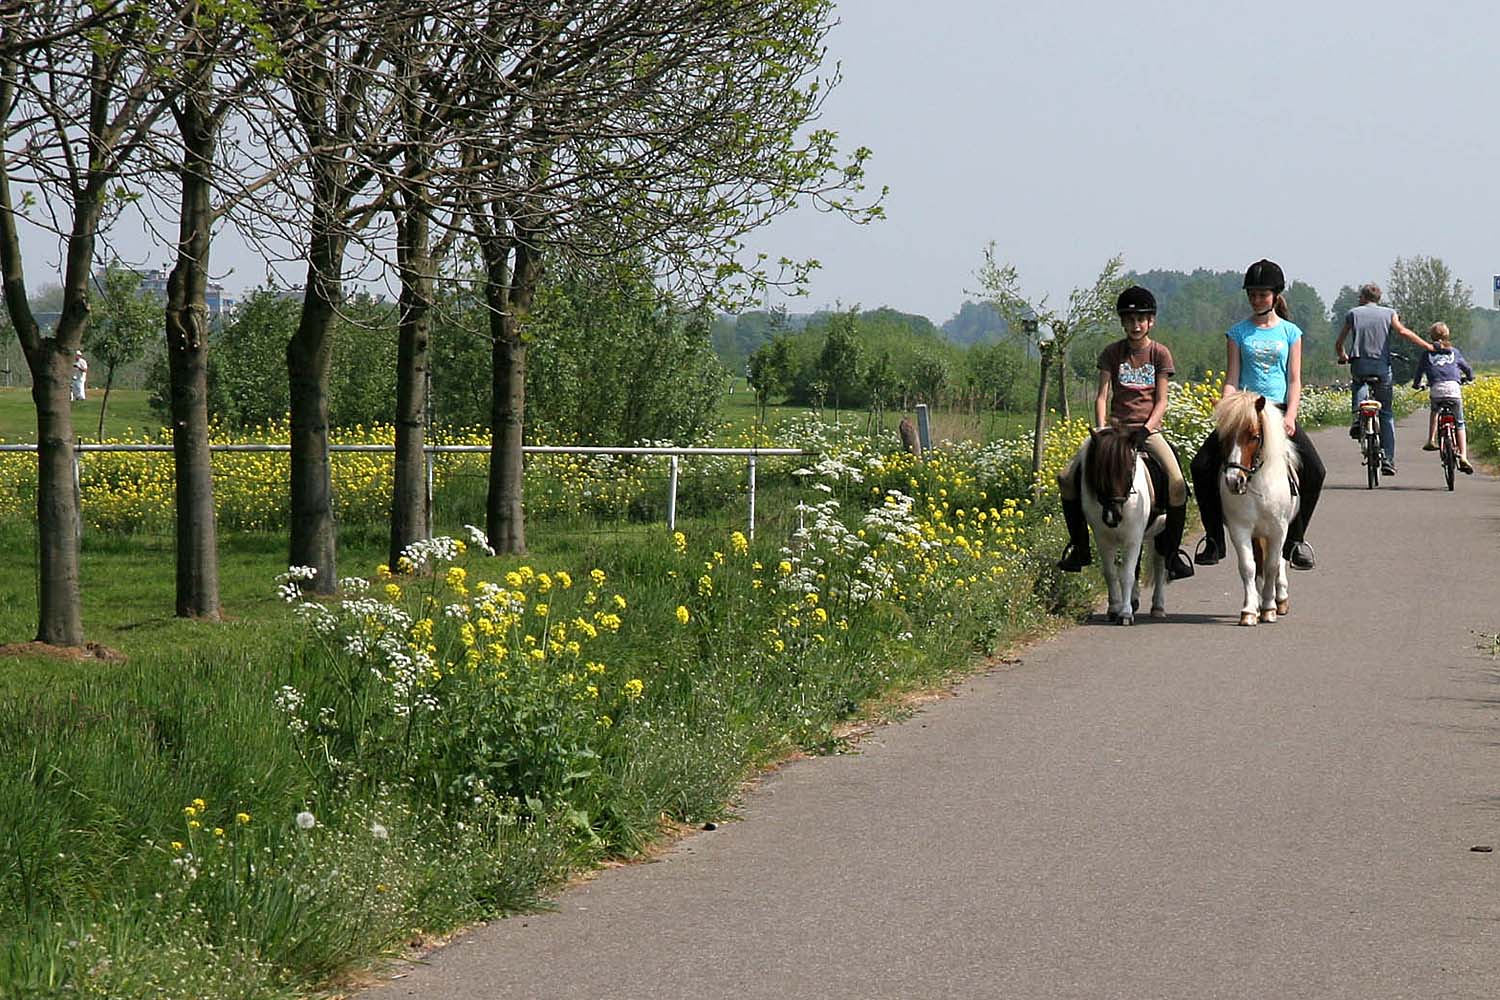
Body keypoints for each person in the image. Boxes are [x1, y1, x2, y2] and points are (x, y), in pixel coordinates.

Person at [1191, 259, 1325, 570]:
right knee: (1201, 465)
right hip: (1244, 409)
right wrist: (1226, 406)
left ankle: (1296, 541)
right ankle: (1213, 539)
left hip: (1276, 410)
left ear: (1275, 295)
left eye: (1262, 294)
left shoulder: (1291, 332)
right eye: (1252, 294)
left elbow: (1294, 379)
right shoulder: (1237, 332)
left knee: (1316, 470)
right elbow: (1232, 377)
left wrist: (1291, 415)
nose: (1256, 299)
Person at [1057, 285, 1194, 580]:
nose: (1135, 325)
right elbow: (1102, 396)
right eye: (1130, 320)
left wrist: (1147, 429)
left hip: (1147, 430)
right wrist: (1102, 428)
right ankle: (1079, 547)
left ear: (1151, 321)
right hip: (1114, 431)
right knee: (1067, 477)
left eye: (1141, 319)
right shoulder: (1112, 353)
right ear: (1122, 322)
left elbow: (1162, 400)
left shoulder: (1159, 354)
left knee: (1177, 483)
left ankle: (1172, 553)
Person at [1334, 283, 1431, 475]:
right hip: (1381, 365)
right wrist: (1427, 346)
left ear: (1363, 297)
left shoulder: (1353, 313)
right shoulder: (1389, 313)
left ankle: (1357, 418)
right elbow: (1403, 332)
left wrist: (1343, 355)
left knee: (1359, 383)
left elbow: (1340, 342)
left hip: (1360, 362)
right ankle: (1388, 459)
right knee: (1386, 413)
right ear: (1378, 298)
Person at [1412, 322, 1474, 474]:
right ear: (1448, 336)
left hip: (1437, 390)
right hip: (1453, 390)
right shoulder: (1454, 352)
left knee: (1435, 411)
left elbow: (1419, 372)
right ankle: (1464, 456)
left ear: (1431, 337)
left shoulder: (1427, 353)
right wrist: (1470, 378)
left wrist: (1416, 384)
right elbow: (1467, 369)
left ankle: (1431, 439)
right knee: (1459, 423)